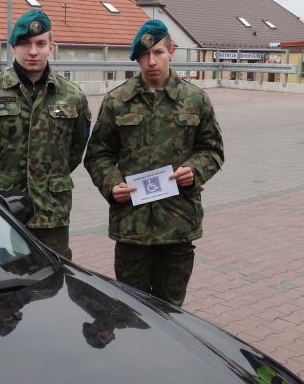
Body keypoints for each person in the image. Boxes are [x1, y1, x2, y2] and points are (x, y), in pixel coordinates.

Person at [83, 19, 224, 306]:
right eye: (144, 55)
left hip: (177, 225)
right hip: (131, 228)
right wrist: (112, 185)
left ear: (171, 51)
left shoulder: (195, 100)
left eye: (158, 52)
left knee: (171, 311)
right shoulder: (117, 101)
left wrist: (195, 170)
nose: (151, 62)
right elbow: (98, 155)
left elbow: (212, 150)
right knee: (131, 310)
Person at [0, 9, 90, 259]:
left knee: (54, 275)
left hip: (52, 213)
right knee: (5, 273)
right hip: (3, 209)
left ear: (51, 47)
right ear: (13, 47)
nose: (33, 51)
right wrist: (2, 181)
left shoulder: (72, 96)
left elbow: (75, 150)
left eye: (40, 44)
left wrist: (46, 178)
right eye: (25, 43)